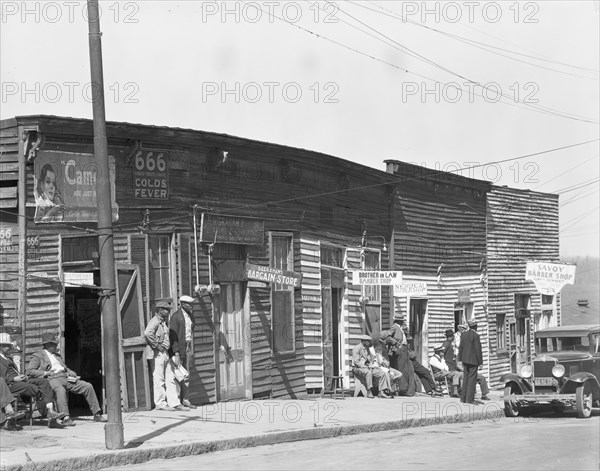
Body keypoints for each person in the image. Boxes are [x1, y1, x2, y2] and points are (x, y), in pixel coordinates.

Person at [26, 333, 107, 425]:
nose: (56, 345)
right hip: (52, 378)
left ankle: (97, 414)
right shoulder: (38, 356)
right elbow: (29, 371)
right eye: (54, 344)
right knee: (60, 390)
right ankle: (65, 417)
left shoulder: (57, 356)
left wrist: (70, 371)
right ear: (47, 345)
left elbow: (64, 367)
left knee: (87, 386)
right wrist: (46, 373)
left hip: (66, 377)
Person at [0, 333, 66, 428]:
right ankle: (47, 410)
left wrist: (22, 376)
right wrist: (14, 378)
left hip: (19, 381)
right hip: (8, 384)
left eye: (10, 346)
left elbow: (15, 372)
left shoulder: (9, 358)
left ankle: (50, 410)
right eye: (8, 346)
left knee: (44, 382)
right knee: (37, 388)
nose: (10, 348)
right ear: (1, 347)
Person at [145, 300, 188, 411]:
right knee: (159, 379)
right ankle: (160, 403)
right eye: (166, 310)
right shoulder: (154, 321)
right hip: (157, 354)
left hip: (165, 353)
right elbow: (147, 333)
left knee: (170, 378)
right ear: (160, 310)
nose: (168, 312)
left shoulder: (163, 322)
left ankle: (174, 402)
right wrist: (157, 345)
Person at [443, 329, 490, 400]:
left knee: (481, 377)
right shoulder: (447, 345)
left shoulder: (456, 350)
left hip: (461, 370)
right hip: (459, 371)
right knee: (478, 377)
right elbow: (454, 362)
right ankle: (467, 396)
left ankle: (483, 394)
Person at [169, 295, 197, 409]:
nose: (191, 306)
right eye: (189, 304)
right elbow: (173, 336)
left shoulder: (190, 316)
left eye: (191, 304)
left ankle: (186, 399)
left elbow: (191, 329)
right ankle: (176, 402)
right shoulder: (176, 317)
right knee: (177, 374)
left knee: (186, 374)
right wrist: (175, 352)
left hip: (187, 347)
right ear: (183, 304)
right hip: (178, 349)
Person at [381, 315, 416, 396]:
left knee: (405, 369)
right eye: (401, 320)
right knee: (402, 369)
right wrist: (395, 342)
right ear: (398, 321)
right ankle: (402, 389)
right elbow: (387, 336)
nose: (403, 322)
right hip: (399, 348)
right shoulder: (395, 327)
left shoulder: (399, 327)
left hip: (403, 348)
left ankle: (404, 388)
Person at [458, 319, 484, 404]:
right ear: (475, 326)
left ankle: (463, 398)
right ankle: (469, 399)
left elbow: (461, 347)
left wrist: (460, 359)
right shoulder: (476, 336)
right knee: (472, 380)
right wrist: (480, 362)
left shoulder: (463, 335)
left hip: (465, 359)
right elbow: (477, 350)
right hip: (473, 360)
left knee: (466, 378)